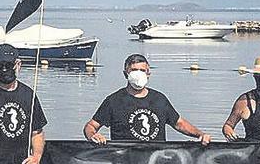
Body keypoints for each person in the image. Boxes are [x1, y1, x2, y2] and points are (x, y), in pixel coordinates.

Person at [84, 53, 212, 145]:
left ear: (148, 74)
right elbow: (91, 126)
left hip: (155, 161)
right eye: (134, 70)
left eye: (142, 70)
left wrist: (200, 135)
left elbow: (179, 123)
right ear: (125, 74)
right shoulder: (113, 101)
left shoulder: (159, 99)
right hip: (123, 160)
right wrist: (93, 136)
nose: (138, 74)